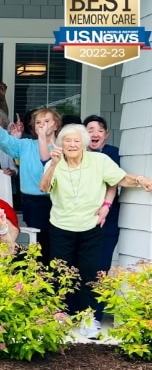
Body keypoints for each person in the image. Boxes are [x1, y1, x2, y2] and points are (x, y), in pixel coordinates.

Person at [40, 124, 152, 338]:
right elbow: (44, 187)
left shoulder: (99, 161)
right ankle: (59, 315)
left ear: (83, 143)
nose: (72, 145)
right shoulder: (54, 163)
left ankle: (89, 318)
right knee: (61, 272)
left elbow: (120, 178)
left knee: (91, 272)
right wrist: (54, 165)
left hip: (90, 227)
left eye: (76, 141)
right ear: (61, 144)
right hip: (61, 226)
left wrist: (140, 180)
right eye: (67, 141)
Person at [0, 105, 60, 265]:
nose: (42, 125)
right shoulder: (26, 145)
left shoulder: (63, 146)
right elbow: (6, 143)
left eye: (47, 121)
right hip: (33, 202)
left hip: (59, 200)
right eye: (38, 122)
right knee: (41, 243)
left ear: (55, 124)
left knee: (59, 242)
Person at [83, 115, 121, 322]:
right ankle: (76, 310)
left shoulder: (112, 154)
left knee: (101, 267)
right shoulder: (77, 155)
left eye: (99, 130)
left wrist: (105, 206)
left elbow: (112, 181)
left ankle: (95, 314)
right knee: (81, 266)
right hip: (80, 219)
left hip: (107, 218)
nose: (95, 134)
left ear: (106, 134)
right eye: (90, 129)